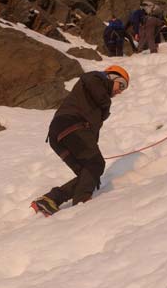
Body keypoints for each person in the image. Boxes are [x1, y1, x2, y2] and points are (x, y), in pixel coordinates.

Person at [31, 65, 129, 216]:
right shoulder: (95, 78)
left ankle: (50, 199)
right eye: (121, 85)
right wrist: (106, 107)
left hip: (59, 135)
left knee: (89, 174)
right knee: (95, 164)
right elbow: (93, 85)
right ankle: (83, 208)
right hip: (72, 125)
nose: (120, 91)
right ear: (111, 77)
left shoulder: (96, 95)